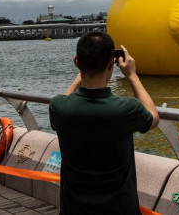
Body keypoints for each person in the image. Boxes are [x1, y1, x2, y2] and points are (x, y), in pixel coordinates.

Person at [49, 31, 159, 214]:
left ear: (77, 62)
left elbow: (64, 98)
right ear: (111, 64)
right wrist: (132, 76)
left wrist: (81, 75)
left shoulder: (59, 108)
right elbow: (153, 117)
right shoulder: (126, 108)